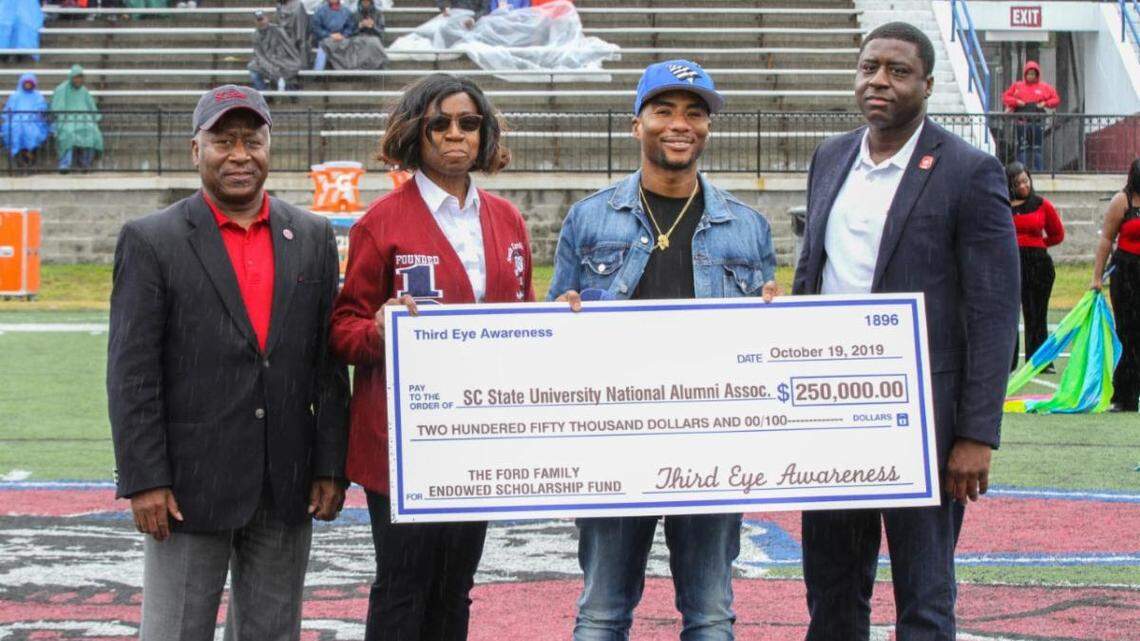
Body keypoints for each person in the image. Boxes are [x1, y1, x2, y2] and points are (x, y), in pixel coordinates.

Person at [793, 22, 1018, 641]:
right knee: (832, 588)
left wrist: (976, 433)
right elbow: (813, 275)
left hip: (925, 417)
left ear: (926, 83)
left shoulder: (969, 171)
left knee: (923, 595)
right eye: (870, 68)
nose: (879, 82)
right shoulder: (830, 157)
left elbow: (995, 311)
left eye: (897, 71)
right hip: (832, 410)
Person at [108, 85, 350, 641]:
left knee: (273, 632)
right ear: (196, 149)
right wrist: (145, 479)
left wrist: (329, 465)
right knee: (174, 631)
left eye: (252, 140)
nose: (240, 155)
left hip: (286, 482)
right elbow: (132, 373)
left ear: (270, 147)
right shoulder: (152, 239)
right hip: (187, 488)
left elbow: (328, 366)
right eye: (223, 140)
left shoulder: (312, 236)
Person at [547, 59, 778, 641]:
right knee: (601, 613)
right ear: (637, 124)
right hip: (614, 441)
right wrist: (562, 318)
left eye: (695, 113)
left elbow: (765, 345)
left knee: (710, 615)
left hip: (713, 443)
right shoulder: (590, 216)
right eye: (664, 110)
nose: (681, 124)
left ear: (708, 127)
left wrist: (778, 323)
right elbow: (552, 337)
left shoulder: (747, 225)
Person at [329, 74, 530, 641]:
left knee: (453, 589)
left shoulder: (509, 221)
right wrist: (378, 329)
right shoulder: (380, 222)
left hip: (475, 437)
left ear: (485, 134)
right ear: (415, 133)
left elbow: (523, 324)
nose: (454, 136)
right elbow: (341, 328)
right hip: (401, 443)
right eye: (439, 124)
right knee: (402, 586)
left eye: (469, 124)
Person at [1091, 158, 1140, 413]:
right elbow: (1106, 240)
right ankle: (1124, 394)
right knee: (1128, 332)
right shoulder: (1122, 201)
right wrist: (1097, 277)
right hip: (1127, 273)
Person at [1006, 161, 1064, 372]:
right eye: (1018, 183)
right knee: (1009, 313)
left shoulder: (1041, 204)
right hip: (1011, 266)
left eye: (1026, 181)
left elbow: (1057, 234)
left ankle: (1040, 361)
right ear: (1009, 185)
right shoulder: (1002, 205)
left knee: (1037, 314)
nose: (1024, 186)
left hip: (1038, 266)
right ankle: (1008, 361)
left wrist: (1038, 245)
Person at [1002, 61, 1059, 171]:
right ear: (1025, 74)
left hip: (1037, 123)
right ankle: (1021, 171)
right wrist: (1017, 102)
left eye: (1033, 74)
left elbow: (1055, 99)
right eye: (1029, 74)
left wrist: (1045, 103)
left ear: (1037, 75)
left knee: (1037, 148)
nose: (1031, 76)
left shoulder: (1044, 87)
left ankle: (1039, 170)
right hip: (1021, 122)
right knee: (1023, 148)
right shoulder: (1018, 86)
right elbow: (1005, 97)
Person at [49, 65, 103, 173]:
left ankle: (85, 163)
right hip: (66, 119)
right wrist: (62, 117)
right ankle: (65, 164)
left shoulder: (84, 91)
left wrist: (95, 118)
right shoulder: (62, 89)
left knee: (93, 132)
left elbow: (91, 106)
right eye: (76, 77)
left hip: (83, 119)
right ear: (71, 77)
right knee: (68, 133)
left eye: (81, 77)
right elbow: (57, 108)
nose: (78, 80)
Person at [2, 73, 49, 172]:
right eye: (26, 83)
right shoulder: (15, 96)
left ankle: (28, 158)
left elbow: (41, 110)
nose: (28, 85)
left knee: (31, 131)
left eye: (30, 83)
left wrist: (33, 116)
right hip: (16, 120)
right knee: (15, 130)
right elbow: (9, 110)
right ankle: (21, 159)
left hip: (33, 121)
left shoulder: (38, 96)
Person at [249, 9, 303, 92]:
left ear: (267, 18)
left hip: (283, 60)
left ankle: (291, 91)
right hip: (267, 62)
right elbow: (259, 55)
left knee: (290, 67)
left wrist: (279, 61)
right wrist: (269, 65)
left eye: (262, 19)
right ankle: (265, 94)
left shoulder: (278, 30)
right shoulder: (255, 35)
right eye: (258, 20)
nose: (261, 22)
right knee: (252, 67)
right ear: (255, 22)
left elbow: (289, 48)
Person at [311, 0, 356, 71]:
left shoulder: (346, 11)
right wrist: (329, 35)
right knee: (323, 48)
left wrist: (343, 35)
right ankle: (317, 73)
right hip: (326, 40)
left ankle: (347, 73)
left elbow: (350, 27)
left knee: (351, 46)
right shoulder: (320, 11)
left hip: (343, 40)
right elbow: (316, 28)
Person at [277, 0, 312, 68]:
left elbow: (301, 26)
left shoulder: (298, 5)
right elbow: (280, 22)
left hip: (298, 36)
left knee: (302, 46)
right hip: (285, 36)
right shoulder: (279, 5)